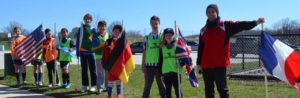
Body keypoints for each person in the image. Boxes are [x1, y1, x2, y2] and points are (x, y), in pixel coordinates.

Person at [196, 4, 265, 98]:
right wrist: (199, 64)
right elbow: (201, 48)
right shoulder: (203, 30)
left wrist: (255, 22)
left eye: (213, 11)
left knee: (223, 91)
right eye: (209, 12)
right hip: (207, 66)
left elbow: (241, 25)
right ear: (206, 14)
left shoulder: (225, 26)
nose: (211, 14)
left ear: (217, 13)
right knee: (209, 92)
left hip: (220, 65)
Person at [142, 15, 166, 98]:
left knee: (162, 87)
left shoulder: (163, 35)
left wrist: (164, 42)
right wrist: (143, 65)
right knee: (147, 87)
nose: (154, 25)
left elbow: (172, 40)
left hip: (160, 66)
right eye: (153, 23)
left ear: (159, 24)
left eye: (156, 23)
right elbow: (144, 52)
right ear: (150, 24)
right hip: (149, 66)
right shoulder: (146, 37)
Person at [76, 13, 98, 92]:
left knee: (92, 70)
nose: (87, 20)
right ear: (84, 20)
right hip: (83, 52)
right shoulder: (81, 29)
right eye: (86, 19)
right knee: (84, 70)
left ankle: (93, 85)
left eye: (89, 19)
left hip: (91, 52)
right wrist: (77, 52)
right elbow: (78, 40)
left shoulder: (93, 29)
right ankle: (85, 85)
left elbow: (97, 40)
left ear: (91, 20)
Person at [160, 28, 184, 98]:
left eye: (170, 35)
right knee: (167, 91)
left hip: (175, 72)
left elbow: (185, 58)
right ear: (164, 37)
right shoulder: (162, 47)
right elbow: (160, 60)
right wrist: (161, 73)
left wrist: (181, 64)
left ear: (173, 36)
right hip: (166, 73)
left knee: (177, 90)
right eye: (166, 35)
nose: (168, 37)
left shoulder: (177, 46)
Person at [101, 25, 123, 98]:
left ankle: (118, 94)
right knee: (110, 80)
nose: (116, 33)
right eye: (115, 31)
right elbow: (104, 52)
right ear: (112, 31)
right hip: (110, 64)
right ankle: (109, 95)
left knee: (118, 80)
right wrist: (102, 62)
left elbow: (124, 52)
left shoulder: (121, 41)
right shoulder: (108, 41)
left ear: (120, 33)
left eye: (118, 32)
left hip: (118, 65)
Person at [93, 21, 110, 94]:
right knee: (100, 72)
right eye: (100, 26)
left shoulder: (108, 35)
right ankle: (100, 88)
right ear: (98, 27)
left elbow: (110, 45)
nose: (102, 27)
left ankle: (109, 87)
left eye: (103, 26)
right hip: (99, 56)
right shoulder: (95, 36)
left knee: (108, 73)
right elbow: (94, 46)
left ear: (105, 27)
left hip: (107, 57)